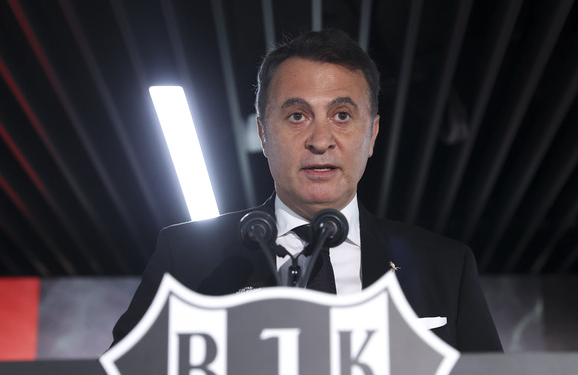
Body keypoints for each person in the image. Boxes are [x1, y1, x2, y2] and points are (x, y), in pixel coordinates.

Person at [112, 29, 502, 352]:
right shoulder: (184, 257)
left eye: (342, 116)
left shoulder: (446, 266)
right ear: (264, 135)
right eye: (297, 116)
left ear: (372, 135)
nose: (320, 140)